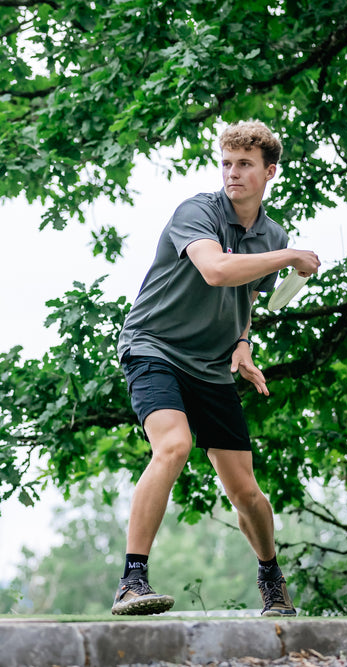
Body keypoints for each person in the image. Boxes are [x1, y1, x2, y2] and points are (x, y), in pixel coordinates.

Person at [111, 120, 321, 617]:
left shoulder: (270, 234)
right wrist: (290, 256)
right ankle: (132, 581)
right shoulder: (197, 211)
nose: (232, 173)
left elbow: (245, 293)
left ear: (269, 171)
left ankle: (271, 578)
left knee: (245, 490)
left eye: (245, 164)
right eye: (226, 163)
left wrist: (242, 343)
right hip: (153, 347)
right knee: (175, 444)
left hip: (211, 367)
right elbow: (217, 270)